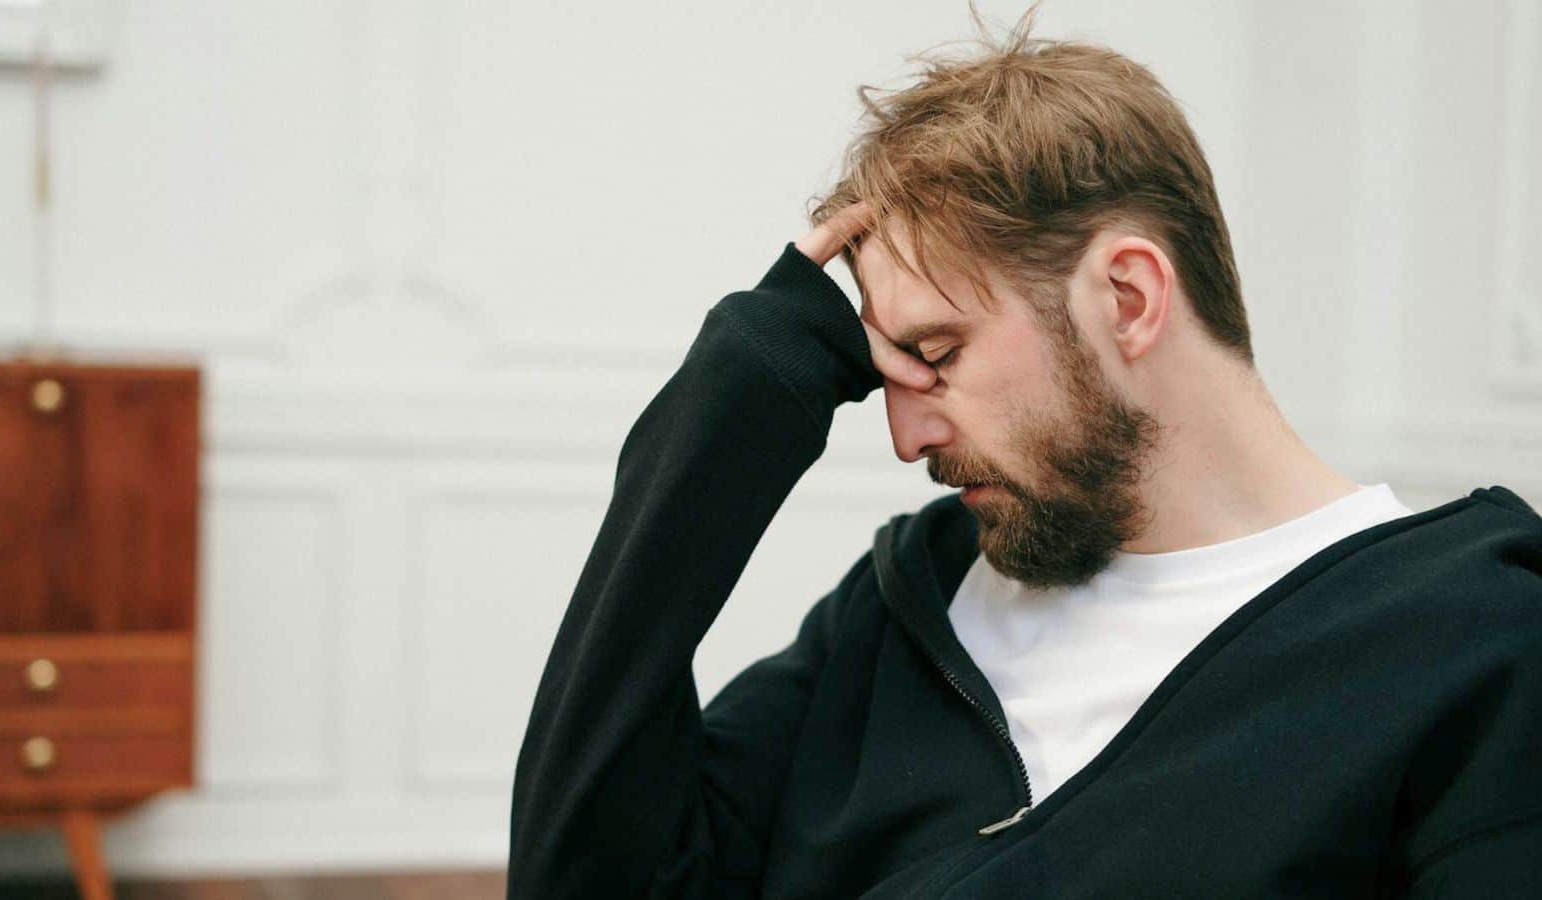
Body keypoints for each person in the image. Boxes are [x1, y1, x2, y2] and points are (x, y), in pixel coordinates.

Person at [507, 5, 1542, 897]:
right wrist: (733, 401)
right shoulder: (911, 601)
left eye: (935, 353)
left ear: (1125, 298)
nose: (905, 433)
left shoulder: (1469, 647)